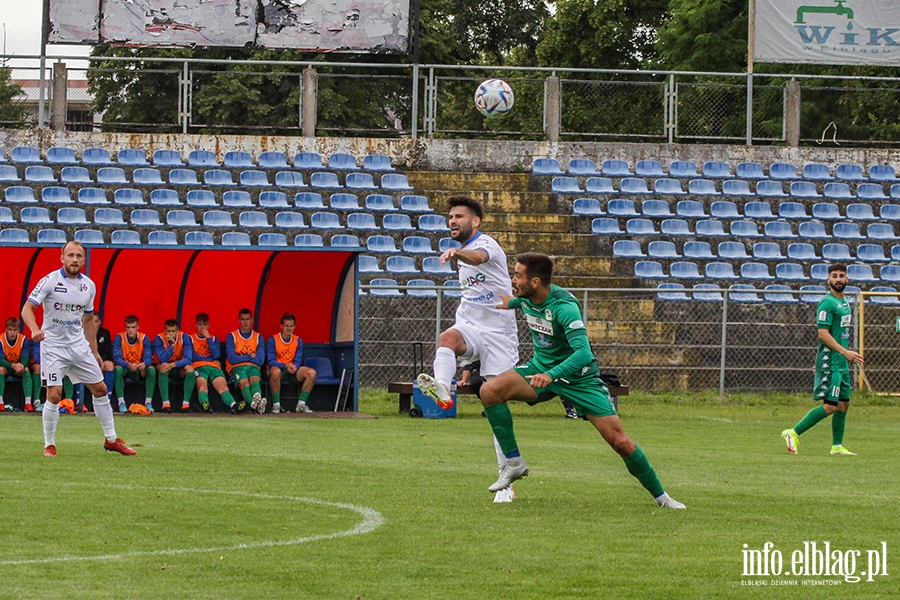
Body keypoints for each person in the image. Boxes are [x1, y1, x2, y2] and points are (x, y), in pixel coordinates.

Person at [479, 253, 685, 509]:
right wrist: (509, 304)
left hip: (580, 380)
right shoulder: (527, 299)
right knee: (489, 391)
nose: (513, 280)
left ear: (535, 282)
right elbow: (521, 305)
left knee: (620, 442)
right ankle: (513, 463)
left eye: (518, 276)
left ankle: (662, 497)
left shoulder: (565, 308)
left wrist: (552, 374)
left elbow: (584, 353)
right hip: (540, 370)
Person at [415, 196, 521, 503]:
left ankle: (506, 481)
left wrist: (458, 253)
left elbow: (477, 257)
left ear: (475, 221)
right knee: (446, 339)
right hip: (471, 324)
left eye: (458, 216)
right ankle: (443, 389)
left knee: (495, 404)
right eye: (449, 216)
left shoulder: (487, 244)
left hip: (500, 333)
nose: (452, 220)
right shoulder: (462, 249)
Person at [20, 241, 135, 456]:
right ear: (61, 258)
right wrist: (34, 328)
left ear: (84, 260)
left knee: (100, 389)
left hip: (78, 345)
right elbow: (27, 308)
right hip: (53, 345)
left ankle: (111, 440)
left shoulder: (89, 286)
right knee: (54, 395)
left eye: (79, 256)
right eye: (70, 255)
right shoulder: (49, 281)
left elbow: (89, 319)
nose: (74, 259)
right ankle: (49, 444)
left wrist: (94, 351)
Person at [782, 263, 864, 456]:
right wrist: (845, 353)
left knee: (844, 404)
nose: (838, 279)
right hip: (833, 362)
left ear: (847, 279)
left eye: (841, 276)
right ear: (828, 280)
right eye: (834, 276)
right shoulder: (827, 303)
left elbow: (837, 333)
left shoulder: (844, 303)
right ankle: (792, 432)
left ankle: (837, 446)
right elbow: (822, 334)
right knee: (829, 406)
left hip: (840, 362)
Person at [189, 312, 240, 413]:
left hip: (214, 368)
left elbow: (216, 355)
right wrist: (210, 359)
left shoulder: (214, 338)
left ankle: (233, 405)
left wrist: (208, 338)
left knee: (223, 387)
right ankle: (205, 405)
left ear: (208, 326)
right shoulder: (190, 338)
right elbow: (192, 356)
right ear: (195, 325)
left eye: (204, 325)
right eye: (199, 324)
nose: (202, 327)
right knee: (202, 386)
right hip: (199, 367)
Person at [266, 312, 316, 414]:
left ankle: (301, 405)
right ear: (281, 326)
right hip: (278, 369)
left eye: (291, 326)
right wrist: (285, 365)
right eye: (286, 326)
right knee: (275, 372)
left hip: (292, 370)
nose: (289, 328)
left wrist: (295, 366)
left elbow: (298, 358)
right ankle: (276, 406)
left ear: (294, 327)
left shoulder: (298, 340)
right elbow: (271, 361)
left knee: (312, 373)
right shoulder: (273, 340)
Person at [112, 315, 157, 413]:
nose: (130, 330)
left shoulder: (144, 338)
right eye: (128, 327)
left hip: (138, 368)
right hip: (126, 367)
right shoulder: (119, 337)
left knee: (151, 369)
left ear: (138, 327)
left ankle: (148, 402)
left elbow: (149, 358)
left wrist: (144, 364)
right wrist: (128, 365)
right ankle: (121, 402)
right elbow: (116, 358)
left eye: (133, 327)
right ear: (125, 328)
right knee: (117, 369)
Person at [225, 308, 267, 415]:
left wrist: (243, 357)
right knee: (244, 383)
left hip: (253, 366)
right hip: (237, 367)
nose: (245, 322)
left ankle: (256, 405)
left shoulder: (258, 337)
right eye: (243, 319)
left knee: (254, 380)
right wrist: (250, 356)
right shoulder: (231, 336)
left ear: (252, 320)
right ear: (238, 320)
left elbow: (260, 360)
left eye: (248, 319)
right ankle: (257, 405)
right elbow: (232, 359)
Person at [153, 319, 195, 412]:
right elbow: (162, 359)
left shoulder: (184, 337)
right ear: (165, 331)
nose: (171, 333)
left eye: (173, 331)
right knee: (162, 367)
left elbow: (188, 359)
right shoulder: (159, 338)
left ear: (177, 330)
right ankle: (166, 404)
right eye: (168, 331)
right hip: (164, 365)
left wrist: (173, 365)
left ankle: (186, 405)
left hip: (177, 366)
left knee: (190, 369)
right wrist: (171, 346)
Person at [0, 317, 33, 412]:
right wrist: (12, 365)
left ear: (18, 330)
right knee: (0, 369)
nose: (12, 333)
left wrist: (21, 365)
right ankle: (0, 402)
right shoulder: (1, 340)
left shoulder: (23, 340)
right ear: (6, 329)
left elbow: (25, 359)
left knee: (25, 369)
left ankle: (28, 403)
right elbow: (0, 359)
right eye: (10, 330)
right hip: (7, 367)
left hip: (17, 367)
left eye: (15, 330)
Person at [94, 314, 116, 409]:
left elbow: (107, 352)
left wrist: (100, 361)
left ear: (99, 322)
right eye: (90, 322)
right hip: (86, 362)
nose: (93, 324)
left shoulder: (105, 333)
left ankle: (108, 400)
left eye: (95, 321)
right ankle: (78, 401)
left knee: (109, 365)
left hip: (101, 361)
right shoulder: (81, 333)